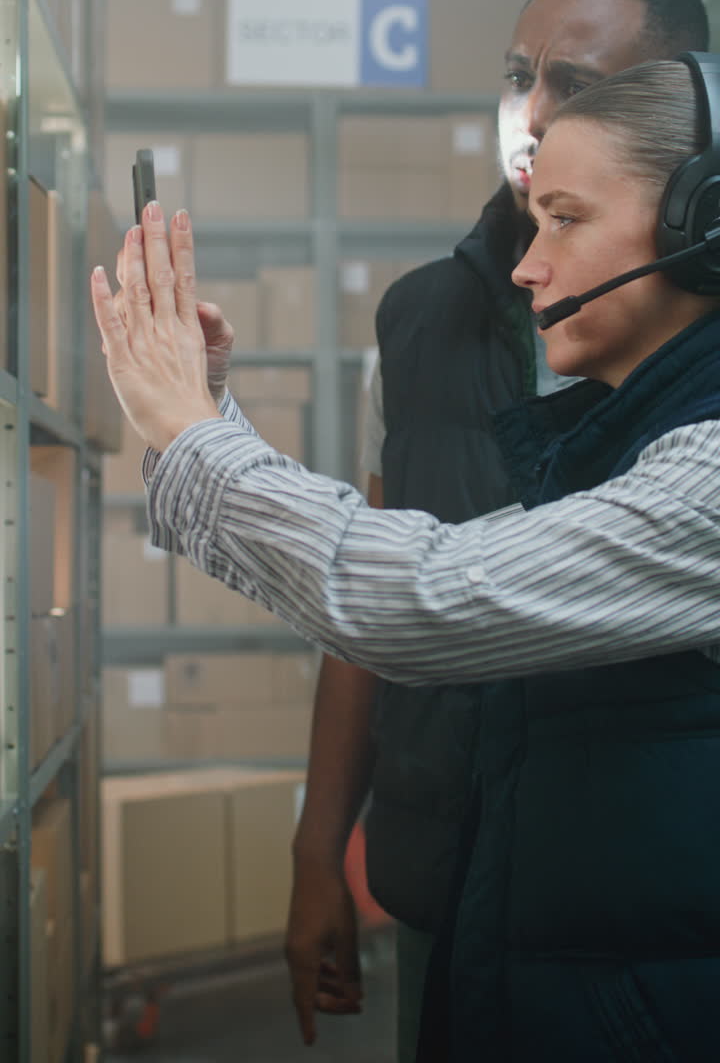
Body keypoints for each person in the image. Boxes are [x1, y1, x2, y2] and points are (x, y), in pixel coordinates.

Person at [93, 52, 720, 1060]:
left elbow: (422, 596)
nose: (527, 264)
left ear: (703, 226)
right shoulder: (633, 433)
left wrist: (192, 432)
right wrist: (200, 420)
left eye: (566, 217)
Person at [285, 0, 711, 1059]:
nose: (533, 111)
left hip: (631, 894)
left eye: (578, 84)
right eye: (522, 72)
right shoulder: (422, 319)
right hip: (443, 863)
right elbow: (374, 585)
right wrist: (316, 849)